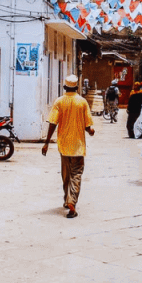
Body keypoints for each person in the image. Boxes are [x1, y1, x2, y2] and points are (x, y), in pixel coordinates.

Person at [42, 75, 94, 218]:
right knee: (76, 174)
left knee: (66, 174)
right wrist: (91, 131)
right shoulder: (82, 102)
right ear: (77, 87)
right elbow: (88, 126)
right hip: (78, 145)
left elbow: (53, 123)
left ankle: (67, 199)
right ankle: (71, 201)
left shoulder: (59, 101)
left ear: (64, 87)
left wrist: (46, 142)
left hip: (64, 145)